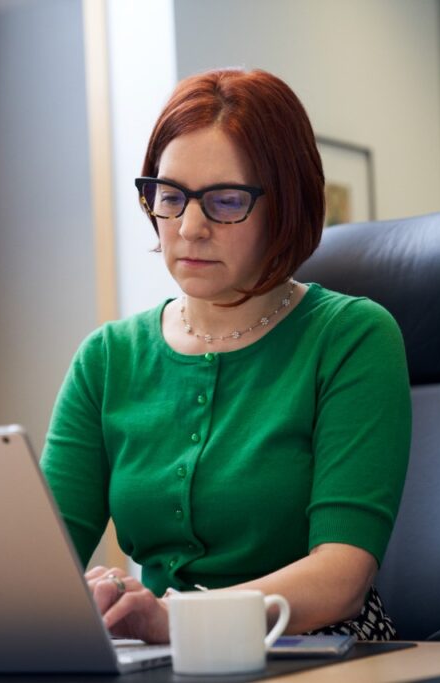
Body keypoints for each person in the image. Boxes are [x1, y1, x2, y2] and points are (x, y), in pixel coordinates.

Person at [40, 68, 411, 644]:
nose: (189, 228)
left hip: (317, 647)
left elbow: (342, 577)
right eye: (170, 197)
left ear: (285, 206)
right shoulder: (107, 359)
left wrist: (176, 619)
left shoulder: (353, 337)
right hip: (165, 653)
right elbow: (38, 565)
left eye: (226, 201)